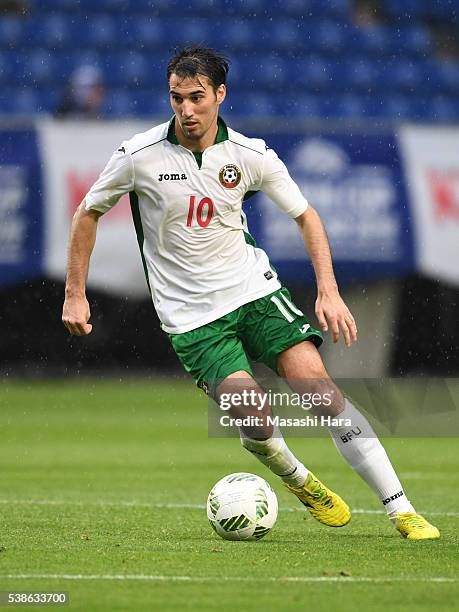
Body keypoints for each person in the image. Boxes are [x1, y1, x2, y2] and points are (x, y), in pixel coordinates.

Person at [62, 46, 439, 540]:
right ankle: (296, 476)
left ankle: (401, 509)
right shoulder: (138, 156)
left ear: (220, 94)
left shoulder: (250, 154)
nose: (186, 110)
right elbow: (88, 211)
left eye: (197, 97)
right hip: (192, 317)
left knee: (320, 392)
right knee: (253, 411)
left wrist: (327, 288)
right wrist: (75, 292)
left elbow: (306, 215)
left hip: (253, 292)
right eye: (177, 98)